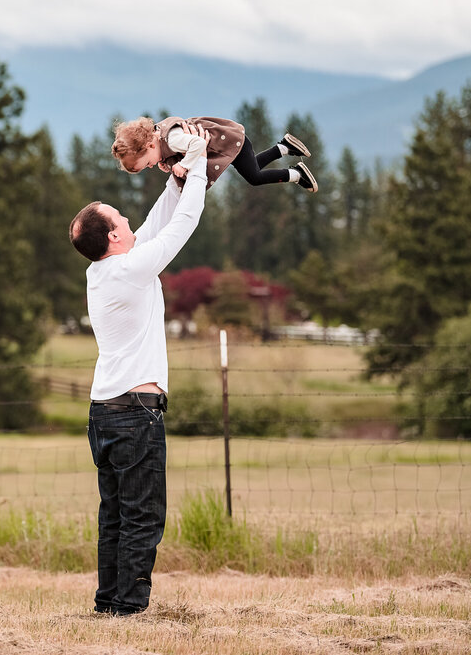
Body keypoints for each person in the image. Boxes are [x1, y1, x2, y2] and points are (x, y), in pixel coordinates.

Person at [68, 122, 209, 616]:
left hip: (105, 412)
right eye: (119, 218)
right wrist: (198, 165)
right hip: (134, 413)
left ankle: (109, 603)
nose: (128, 219)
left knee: (115, 515)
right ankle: (128, 608)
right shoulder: (128, 268)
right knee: (143, 516)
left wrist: (175, 179)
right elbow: (180, 227)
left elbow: (152, 227)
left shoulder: (104, 267)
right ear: (111, 237)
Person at [111, 115, 318, 193]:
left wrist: (183, 166)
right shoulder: (159, 133)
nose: (150, 166)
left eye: (146, 163)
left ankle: (297, 174)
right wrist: (168, 161)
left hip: (229, 143)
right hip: (229, 143)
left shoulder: (172, 139)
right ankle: (284, 147)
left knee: (254, 177)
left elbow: (198, 143)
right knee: (252, 166)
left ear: (148, 146)